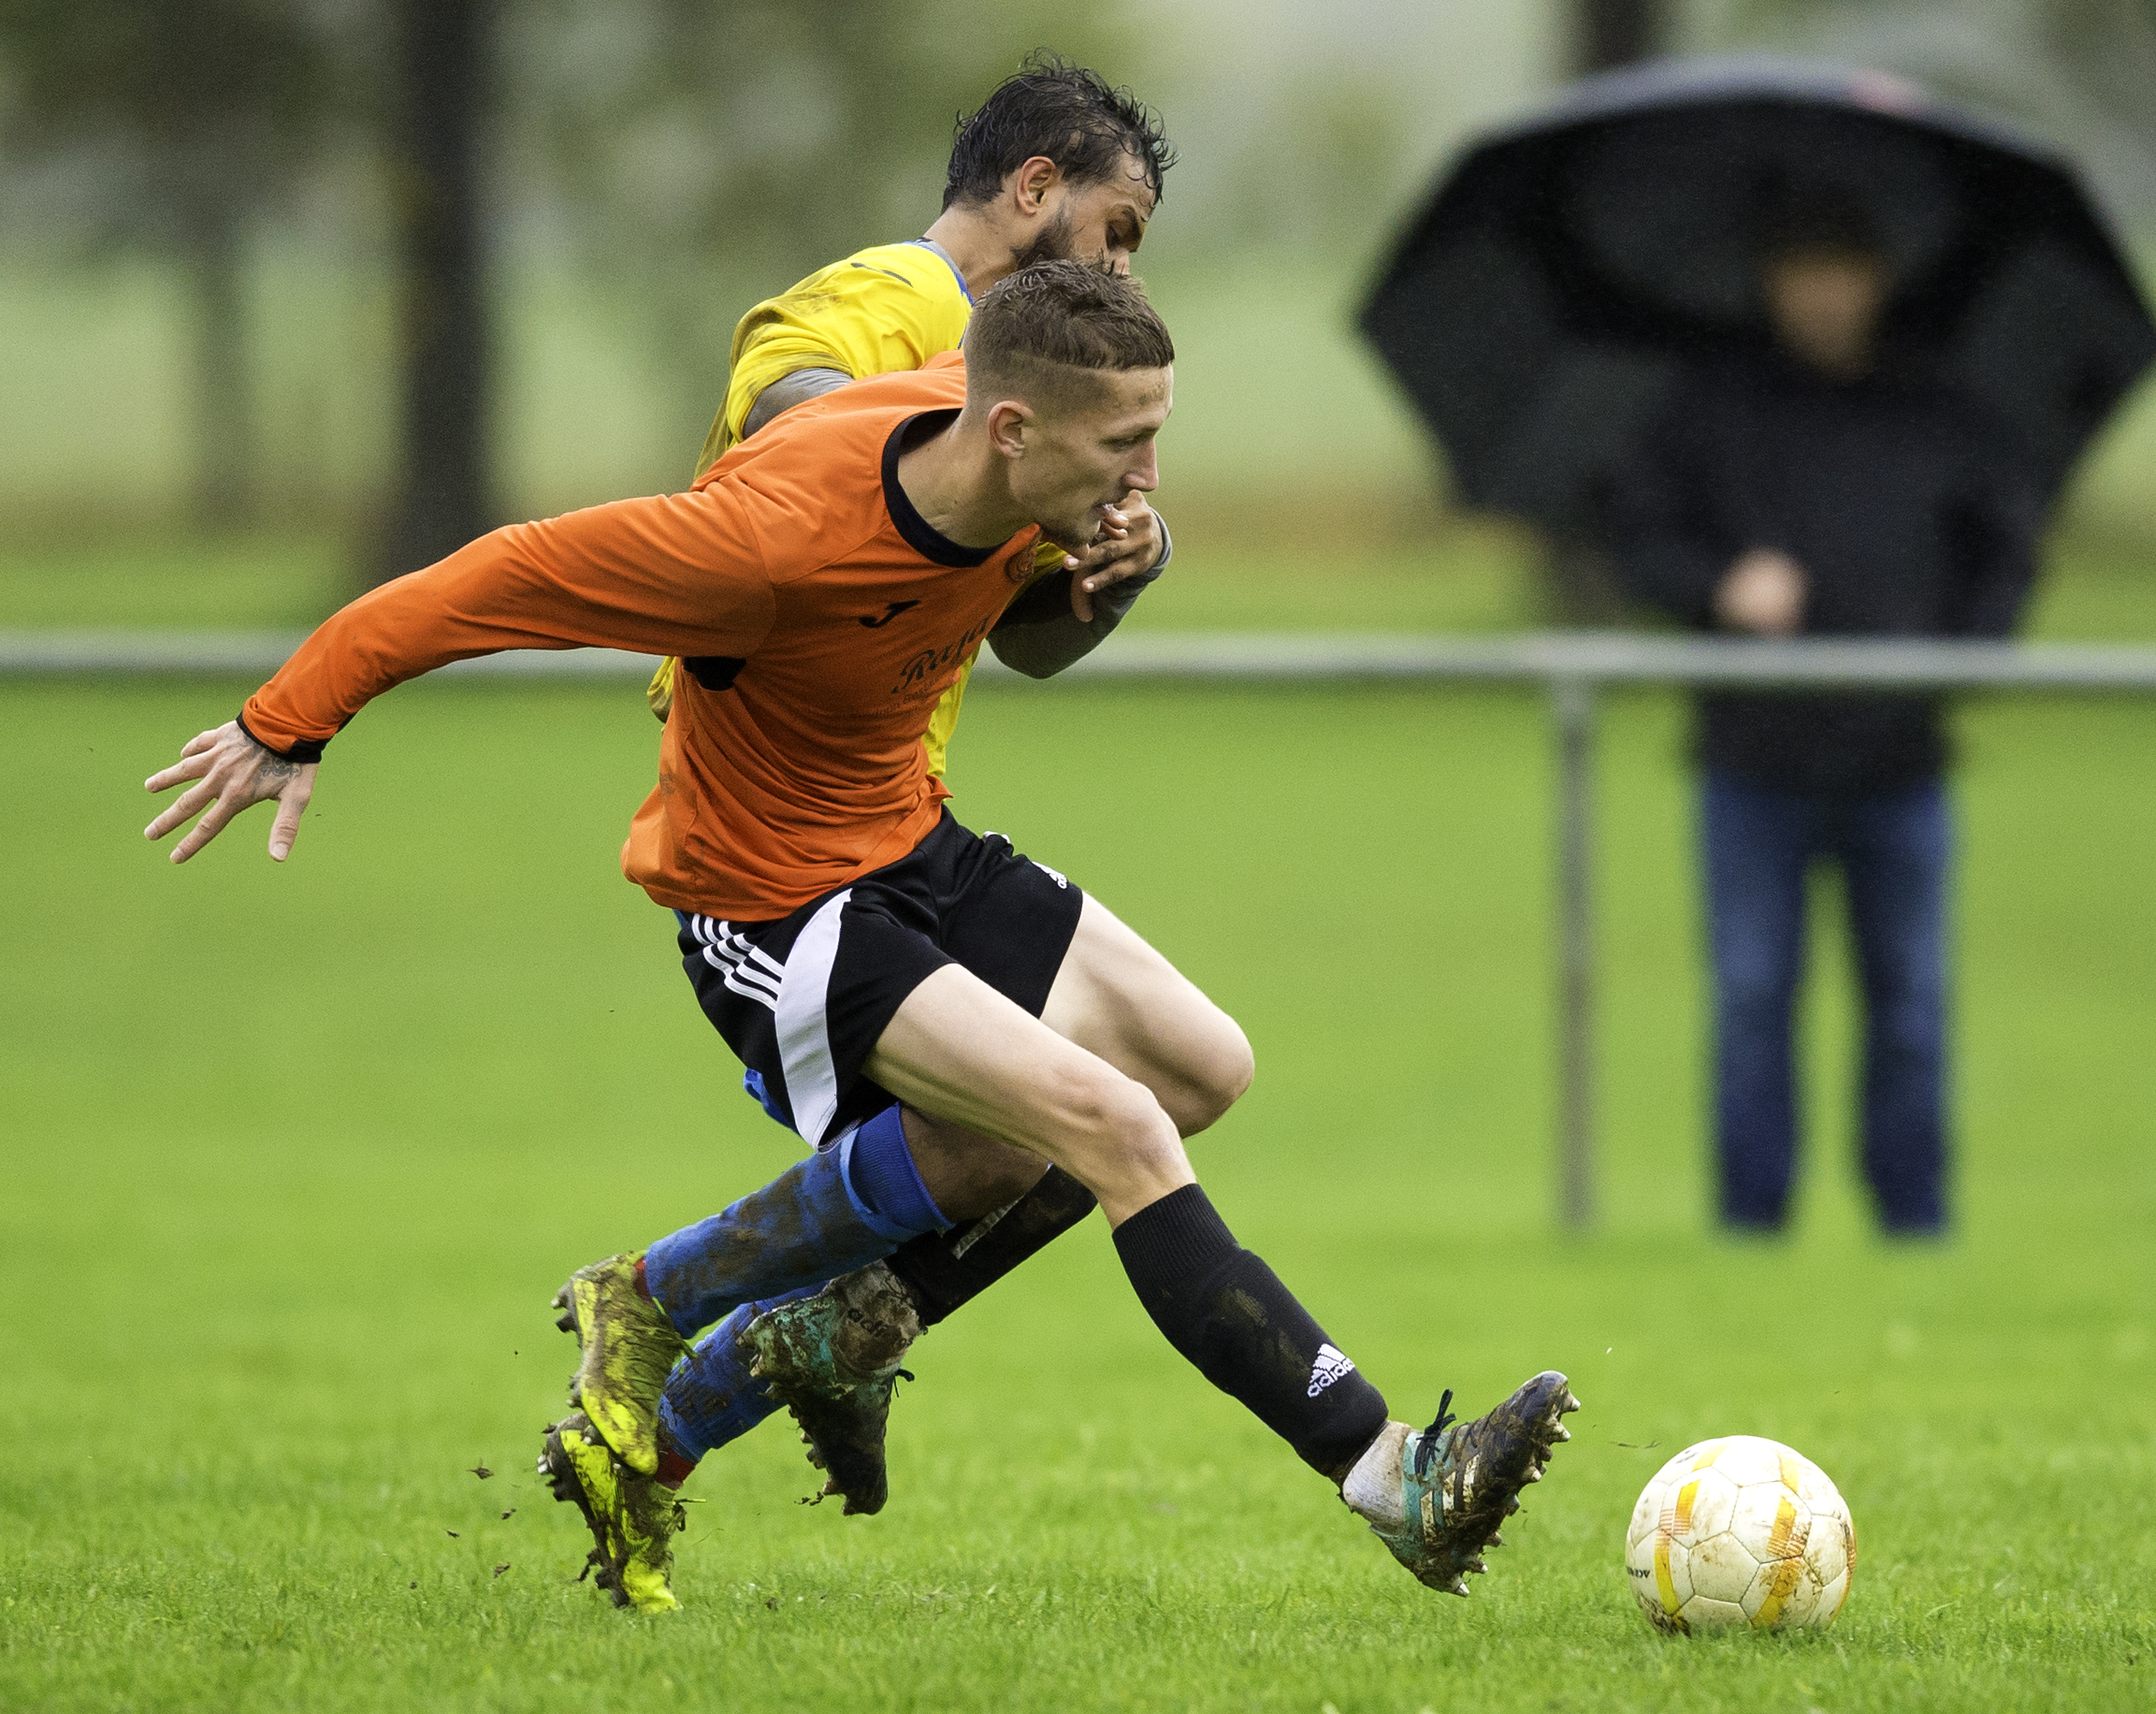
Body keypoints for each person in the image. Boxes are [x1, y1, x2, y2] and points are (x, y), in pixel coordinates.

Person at [143, 262, 1576, 1614]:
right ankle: (1393, 1474)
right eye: (1123, 447)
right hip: (770, 905)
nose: (1146, 476)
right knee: (1115, 1126)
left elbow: (1030, 584)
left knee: (1200, 1067)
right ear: (1010, 431)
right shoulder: (765, 545)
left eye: (1156, 438)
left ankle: (723, 1351)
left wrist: (1113, 561)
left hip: (909, 848)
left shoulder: (1006, 443)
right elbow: (491, 579)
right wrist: (287, 718)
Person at [603, 56, 1180, 1527]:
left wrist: (1107, 568)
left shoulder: (1031, 382)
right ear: (1035, 188)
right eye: (1116, 231)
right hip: (772, 834)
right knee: (1048, 1125)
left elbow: (1026, 644)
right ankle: (722, 1325)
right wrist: (955, 456)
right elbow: (796, 417)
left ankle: (810, 1344)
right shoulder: (894, 299)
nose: (1121, 272)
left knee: (1114, 1100)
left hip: (896, 821)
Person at [1609, 187, 2043, 1237]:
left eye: (1841, 268)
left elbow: (2006, 549)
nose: (1823, 293)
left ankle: (1914, 1225)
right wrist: (1719, 586)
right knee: (1753, 998)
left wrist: (1953, 656)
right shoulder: (1712, 406)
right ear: (1771, 281)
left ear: (1877, 278)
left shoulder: (1938, 410)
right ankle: (1750, 1228)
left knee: (1911, 1005)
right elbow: (1636, 533)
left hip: (1900, 759)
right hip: (1751, 760)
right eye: (1802, 269)